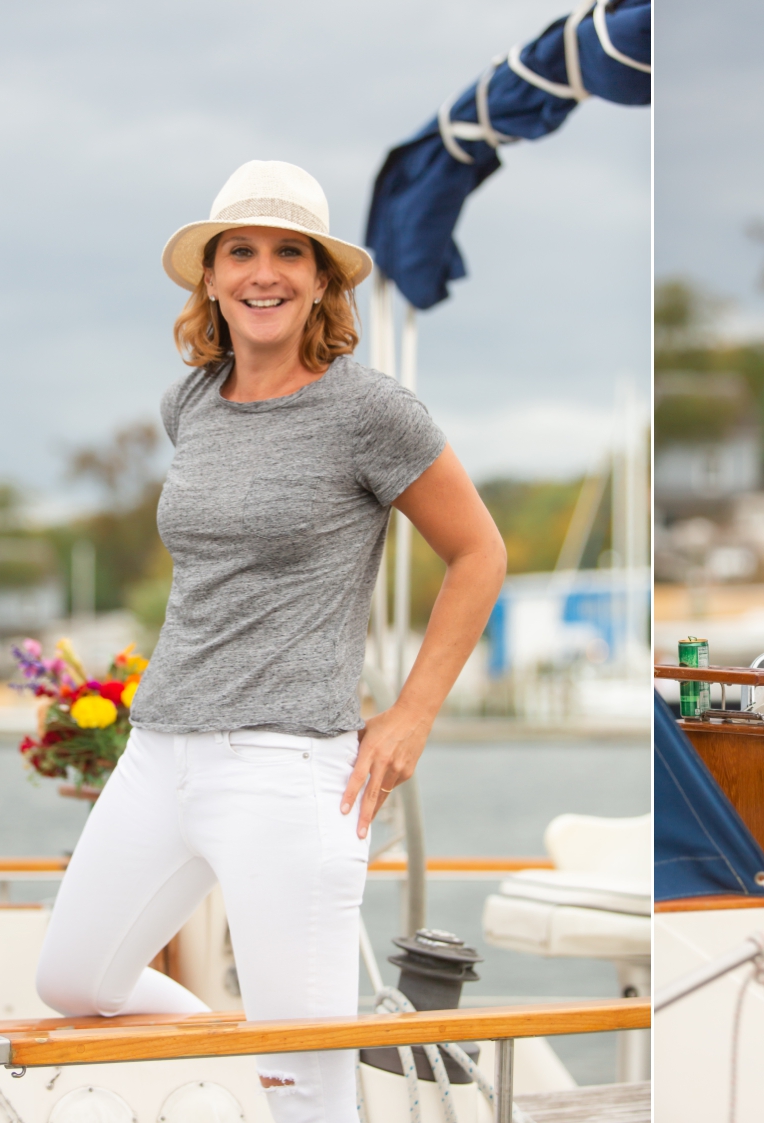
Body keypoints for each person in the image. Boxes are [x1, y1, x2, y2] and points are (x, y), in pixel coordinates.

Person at [34, 160, 507, 1121]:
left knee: (306, 1088)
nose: (264, 272)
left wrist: (410, 715)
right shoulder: (192, 405)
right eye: (240, 251)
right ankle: (243, 1043)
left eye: (290, 252)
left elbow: (479, 553)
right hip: (159, 754)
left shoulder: (371, 412)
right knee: (76, 982)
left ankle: (277, 1056)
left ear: (322, 279)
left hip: (289, 769)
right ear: (209, 277)